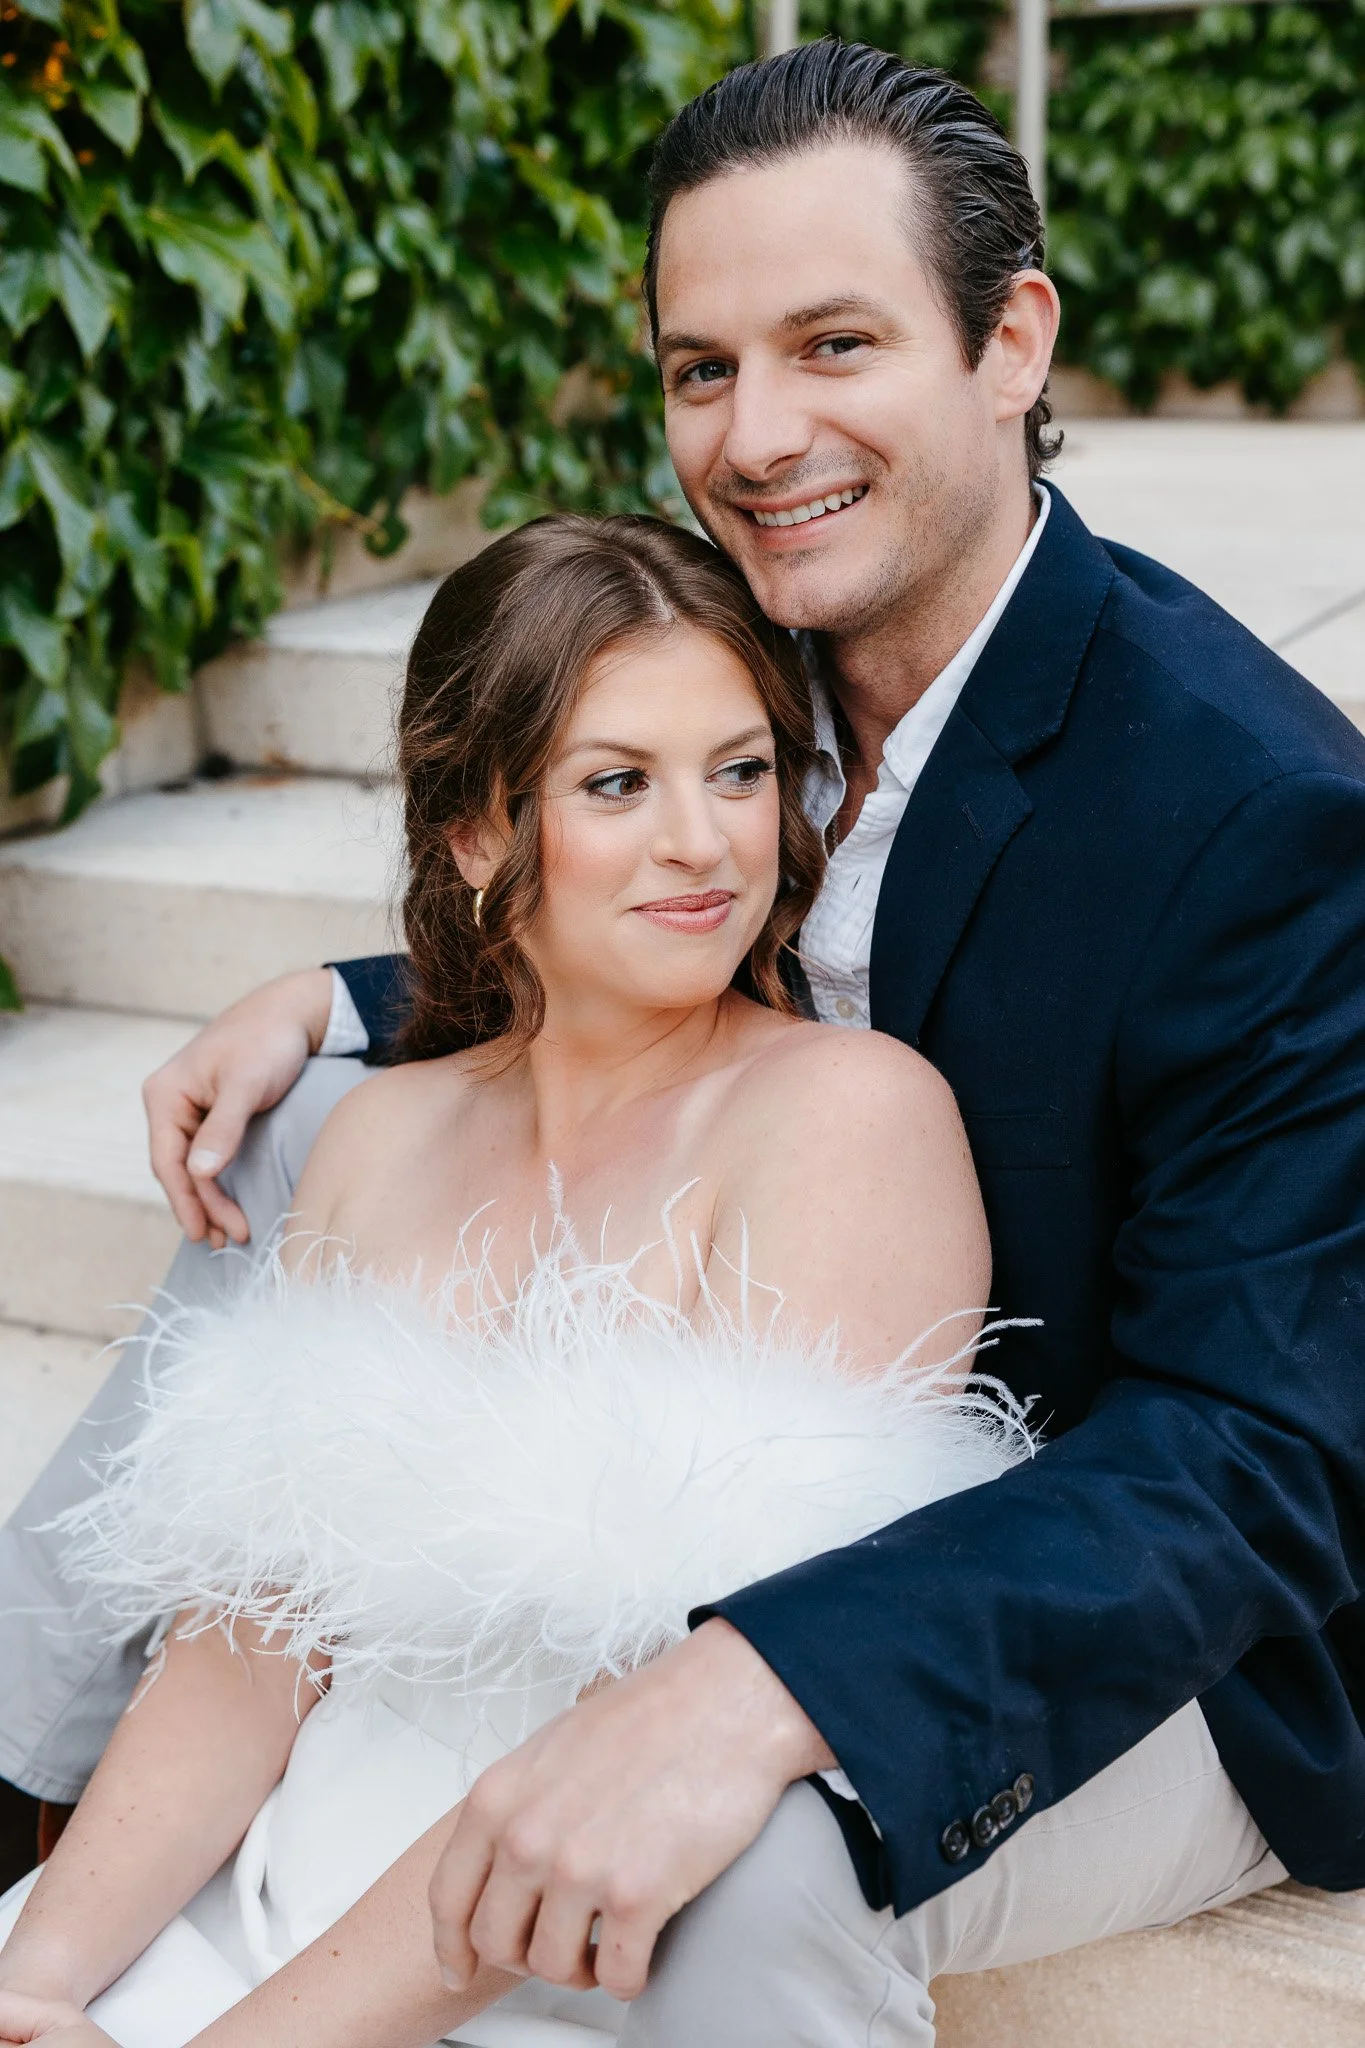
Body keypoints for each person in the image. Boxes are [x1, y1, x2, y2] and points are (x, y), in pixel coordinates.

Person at [5, 36, 1365, 2046]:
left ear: (1010, 340)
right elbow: (667, 930)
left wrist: (768, 1672)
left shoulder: (1255, 809)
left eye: (833, 344)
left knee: (734, 1845)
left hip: (1129, 1587)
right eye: (697, 366)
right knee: (306, 1145)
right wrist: (351, 1003)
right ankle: (40, 1799)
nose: (754, 434)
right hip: (771, 1381)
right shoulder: (766, 649)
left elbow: (1254, 1451)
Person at [0, 513, 1021, 2047]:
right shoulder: (379, 1135)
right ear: (479, 835)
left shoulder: (847, 1121)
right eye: (619, 783)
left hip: (562, 1965)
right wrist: (42, 1978)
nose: (704, 841)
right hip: (272, 1897)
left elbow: (651, 1759)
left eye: (740, 770)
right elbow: (250, 1647)